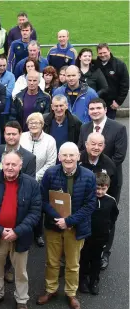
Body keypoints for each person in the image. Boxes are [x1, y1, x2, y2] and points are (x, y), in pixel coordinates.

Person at [37, 142, 96, 309]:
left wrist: (69, 221)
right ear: (59, 157)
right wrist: (59, 219)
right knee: (52, 261)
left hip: (76, 227)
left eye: (72, 155)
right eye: (65, 155)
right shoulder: (50, 173)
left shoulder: (89, 176)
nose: (68, 158)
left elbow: (90, 204)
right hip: (54, 225)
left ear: (78, 157)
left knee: (72, 263)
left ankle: (71, 293)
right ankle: (51, 289)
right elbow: (43, 200)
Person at [0, 150, 41, 309]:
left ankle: (21, 299)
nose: (10, 167)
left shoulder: (32, 184)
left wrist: (17, 231)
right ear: (2, 164)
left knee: (20, 272)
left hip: (20, 236)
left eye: (14, 164)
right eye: (7, 164)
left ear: (21, 166)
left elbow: (35, 213)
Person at [78, 98, 127, 269]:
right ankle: (85, 249)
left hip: (109, 181)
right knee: (87, 212)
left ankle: (104, 252)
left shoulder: (118, 128)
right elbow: (80, 151)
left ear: (105, 110)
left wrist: (100, 171)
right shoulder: (84, 127)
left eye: (98, 108)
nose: (95, 111)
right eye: (92, 108)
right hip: (86, 179)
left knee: (106, 217)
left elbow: (119, 156)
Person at [78, 172, 118, 296]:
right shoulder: (87, 199)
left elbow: (114, 216)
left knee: (96, 261)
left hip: (101, 238)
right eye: (97, 188)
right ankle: (82, 280)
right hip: (86, 236)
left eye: (103, 188)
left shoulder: (111, 201)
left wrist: (107, 228)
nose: (100, 191)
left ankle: (94, 281)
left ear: (107, 187)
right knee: (83, 259)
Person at [95, 43, 129, 119]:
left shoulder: (119, 65)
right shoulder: (94, 65)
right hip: (96, 102)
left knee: (109, 127)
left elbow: (125, 85)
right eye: (100, 53)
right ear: (97, 53)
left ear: (109, 51)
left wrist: (118, 102)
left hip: (111, 104)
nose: (103, 55)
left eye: (104, 52)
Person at [79, 133, 118, 199]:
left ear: (104, 146)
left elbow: (113, 191)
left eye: (100, 145)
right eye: (93, 144)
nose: (96, 147)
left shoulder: (109, 164)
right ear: (86, 144)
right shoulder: (76, 160)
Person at [20, 113, 57, 182]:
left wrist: (35, 177)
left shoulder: (50, 140)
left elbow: (50, 163)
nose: (33, 125)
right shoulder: (21, 137)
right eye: (31, 123)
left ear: (42, 124)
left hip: (41, 181)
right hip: (21, 179)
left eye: (37, 123)